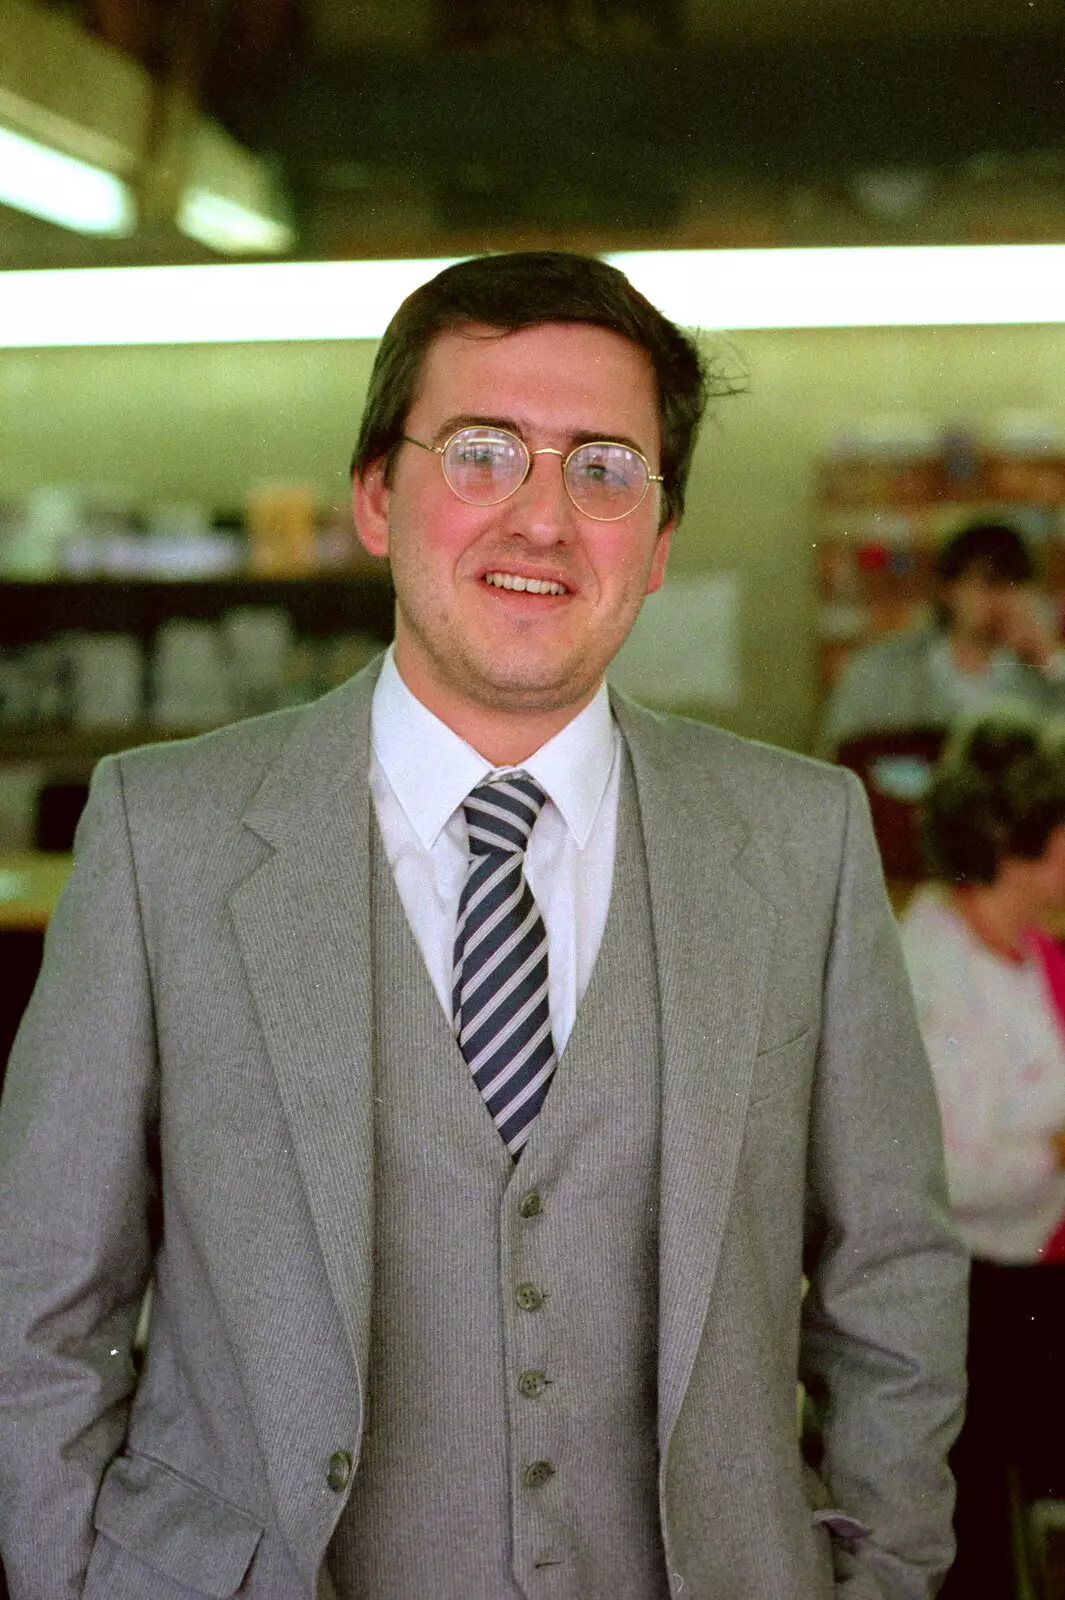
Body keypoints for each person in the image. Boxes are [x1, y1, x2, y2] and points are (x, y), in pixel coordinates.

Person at [0, 251, 965, 1600]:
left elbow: (891, 1280)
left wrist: (883, 1574)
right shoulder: (165, 836)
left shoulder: (801, 840)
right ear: (373, 500)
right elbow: (39, 1297)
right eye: (481, 453)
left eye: (605, 468)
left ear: (662, 536)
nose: (543, 518)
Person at [899, 709, 1065, 1598]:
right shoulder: (933, 969)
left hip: (1031, 1267)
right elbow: (947, 1175)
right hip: (979, 1291)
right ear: (1026, 847)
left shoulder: (1028, 950)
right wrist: (1057, 1150)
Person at [819, 519, 1065, 758]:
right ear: (948, 589)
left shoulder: (1041, 675)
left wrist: (1050, 659)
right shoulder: (879, 670)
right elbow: (839, 758)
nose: (1004, 599)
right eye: (989, 583)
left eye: (1016, 585)